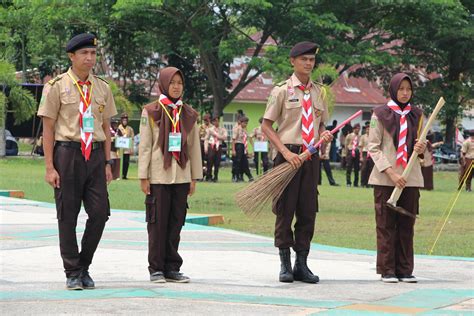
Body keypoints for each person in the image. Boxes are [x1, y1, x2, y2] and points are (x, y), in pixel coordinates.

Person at [37, 33, 117, 290]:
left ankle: (84, 264)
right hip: (67, 153)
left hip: (94, 155)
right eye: (84, 53)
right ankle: (72, 271)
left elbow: (107, 128)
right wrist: (50, 167)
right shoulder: (57, 86)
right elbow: (47, 129)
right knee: (67, 215)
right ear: (72, 56)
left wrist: (107, 163)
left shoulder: (102, 87)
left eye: (93, 53)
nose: (90, 58)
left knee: (100, 213)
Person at [261, 41, 332, 284]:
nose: (308, 63)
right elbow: (266, 125)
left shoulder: (318, 92)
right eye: (304, 59)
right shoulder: (281, 91)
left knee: (307, 210)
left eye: (312, 59)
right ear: (293, 61)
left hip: (310, 158)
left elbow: (321, 122)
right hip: (287, 157)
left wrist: (323, 134)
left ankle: (302, 264)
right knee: (285, 210)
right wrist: (284, 151)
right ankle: (285, 264)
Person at [138, 66, 202, 283]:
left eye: (180, 83)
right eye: (172, 83)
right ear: (164, 84)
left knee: (176, 222)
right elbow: (145, 146)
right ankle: (155, 268)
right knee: (157, 223)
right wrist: (143, 176)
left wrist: (194, 177)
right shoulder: (151, 111)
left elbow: (194, 147)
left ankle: (172, 267)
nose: (176, 87)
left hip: (182, 175)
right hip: (158, 175)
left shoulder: (189, 114)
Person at [368, 73, 426, 283]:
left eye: (408, 89)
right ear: (393, 90)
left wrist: (421, 149)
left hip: (410, 179)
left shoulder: (418, 116)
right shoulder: (379, 114)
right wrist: (391, 172)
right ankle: (387, 270)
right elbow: (373, 147)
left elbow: (424, 157)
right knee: (385, 225)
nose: (404, 93)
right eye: (401, 89)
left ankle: (405, 269)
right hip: (385, 179)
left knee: (406, 225)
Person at [204, 116, 227, 182]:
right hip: (211, 146)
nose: (216, 122)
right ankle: (209, 176)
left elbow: (224, 137)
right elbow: (206, 139)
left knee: (217, 162)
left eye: (217, 121)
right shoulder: (210, 130)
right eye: (214, 121)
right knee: (209, 161)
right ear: (213, 122)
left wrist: (217, 136)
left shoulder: (222, 129)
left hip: (218, 146)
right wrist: (205, 147)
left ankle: (216, 176)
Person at [232, 116, 254, 182]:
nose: (245, 124)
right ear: (241, 122)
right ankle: (236, 176)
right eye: (244, 123)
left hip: (243, 146)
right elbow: (233, 140)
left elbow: (246, 140)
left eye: (246, 123)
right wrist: (233, 150)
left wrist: (246, 149)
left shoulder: (245, 130)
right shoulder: (237, 129)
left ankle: (248, 176)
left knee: (244, 162)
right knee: (237, 162)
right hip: (238, 145)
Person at [118, 112, 134, 179]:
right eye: (123, 120)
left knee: (126, 162)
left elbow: (132, 139)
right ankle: (119, 174)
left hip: (127, 149)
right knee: (120, 162)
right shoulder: (118, 127)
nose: (125, 121)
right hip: (120, 149)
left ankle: (125, 175)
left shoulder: (130, 129)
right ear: (121, 120)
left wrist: (131, 148)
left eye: (126, 120)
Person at [359, 123, 374, 188]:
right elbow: (361, 147)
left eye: (369, 129)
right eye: (367, 129)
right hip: (365, 153)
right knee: (364, 168)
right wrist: (361, 156)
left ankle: (370, 183)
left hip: (372, 153)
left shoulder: (374, 136)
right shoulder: (363, 137)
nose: (368, 130)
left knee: (371, 169)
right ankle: (363, 183)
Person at [199, 114, 211, 180]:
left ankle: (208, 175)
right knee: (201, 160)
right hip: (201, 144)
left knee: (209, 160)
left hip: (210, 144)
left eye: (207, 120)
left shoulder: (212, 126)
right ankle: (201, 175)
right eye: (205, 120)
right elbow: (198, 136)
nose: (206, 121)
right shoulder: (201, 127)